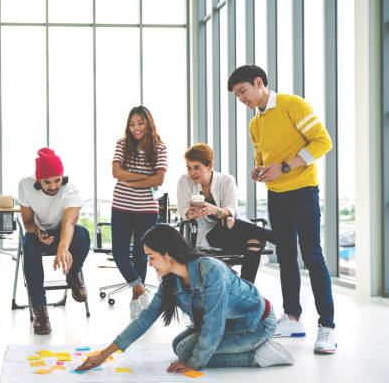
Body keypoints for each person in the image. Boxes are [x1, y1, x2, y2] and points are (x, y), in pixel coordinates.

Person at [75, 224, 294, 374]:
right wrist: (104, 355)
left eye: (151, 257)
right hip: (231, 324)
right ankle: (239, 350)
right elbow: (146, 318)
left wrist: (195, 365)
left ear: (167, 254)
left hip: (256, 325)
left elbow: (214, 326)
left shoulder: (211, 270)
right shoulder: (172, 280)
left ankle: (258, 355)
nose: (149, 264)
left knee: (187, 353)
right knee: (178, 346)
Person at [228, 64, 336, 354]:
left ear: (259, 82)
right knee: (286, 256)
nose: (242, 100)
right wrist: (260, 171)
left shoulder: (292, 104)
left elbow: (323, 142)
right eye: (237, 96)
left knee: (312, 256)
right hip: (276, 196)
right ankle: (292, 318)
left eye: (243, 92)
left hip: (303, 192)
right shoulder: (255, 124)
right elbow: (265, 159)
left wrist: (286, 166)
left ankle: (327, 327)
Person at [177, 143, 278, 283]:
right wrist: (191, 213)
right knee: (236, 225)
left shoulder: (226, 180)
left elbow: (232, 210)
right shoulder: (184, 181)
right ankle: (273, 236)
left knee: (251, 239)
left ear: (210, 165)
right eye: (189, 168)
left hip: (233, 232)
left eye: (196, 168)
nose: (192, 172)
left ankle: (246, 289)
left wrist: (215, 210)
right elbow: (183, 211)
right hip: (209, 235)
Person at [18, 148, 90, 335]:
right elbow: (27, 223)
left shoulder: (70, 189)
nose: (53, 186)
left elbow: (70, 223)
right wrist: (37, 231)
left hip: (63, 232)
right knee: (28, 245)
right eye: (47, 182)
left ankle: (73, 275)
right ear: (38, 179)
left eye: (57, 180)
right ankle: (40, 311)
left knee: (83, 234)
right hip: (39, 233)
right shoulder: (25, 186)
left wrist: (63, 247)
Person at [111, 105, 167, 319]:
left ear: (148, 123)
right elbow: (116, 172)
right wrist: (144, 179)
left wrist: (130, 181)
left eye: (140, 123)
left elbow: (159, 179)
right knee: (119, 253)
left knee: (141, 255)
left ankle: (136, 301)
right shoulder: (122, 145)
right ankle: (142, 291)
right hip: (121, 207)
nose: (136, 128)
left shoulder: (160, 148)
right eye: (132, 124)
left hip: (146, 209)